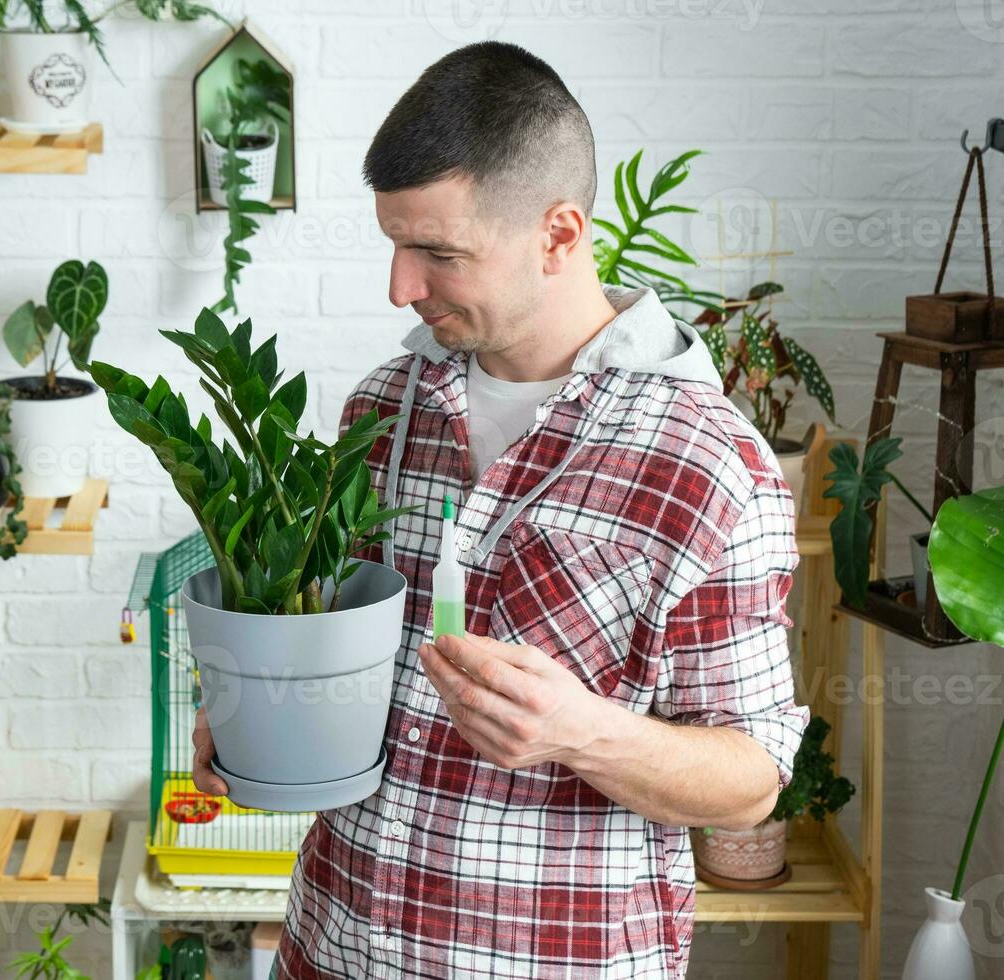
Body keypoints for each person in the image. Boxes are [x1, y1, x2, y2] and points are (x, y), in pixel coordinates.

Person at [192, 40, 809, 978]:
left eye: (438, 252)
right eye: (395, 244)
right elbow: (329, 637)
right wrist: (254, 714)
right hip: (332, 948)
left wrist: (581, 730)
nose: (401, 287)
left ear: (559, 235)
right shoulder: (384, 410)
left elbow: (752, 781)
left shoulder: (709, 464)